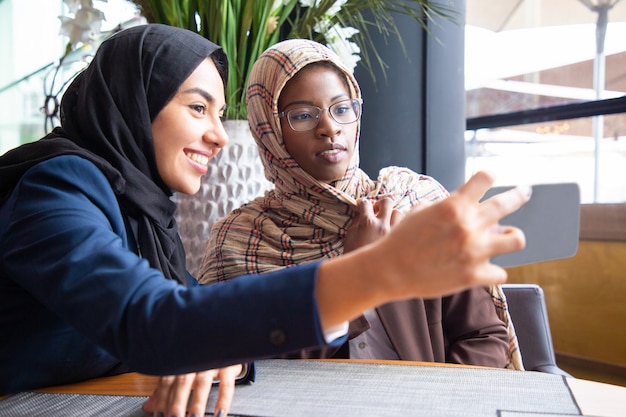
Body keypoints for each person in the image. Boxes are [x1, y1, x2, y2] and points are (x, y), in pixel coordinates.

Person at [0, 24, 529, 416]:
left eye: (343, 108)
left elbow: (197, 319)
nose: (220, 134)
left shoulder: (142, 211)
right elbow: (158, 320)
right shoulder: (58, 184)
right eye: (197, 108)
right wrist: (373, 270)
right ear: (136, 106)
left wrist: (213, 349)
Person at [199, 39, 523, 369]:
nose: (329, 128)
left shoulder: (415, 204)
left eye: (342, 109)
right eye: (303, 115)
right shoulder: (239, 241)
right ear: (269, 131)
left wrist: (439, 403)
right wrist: (356, 271)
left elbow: (482, 335)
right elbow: (239, 364)